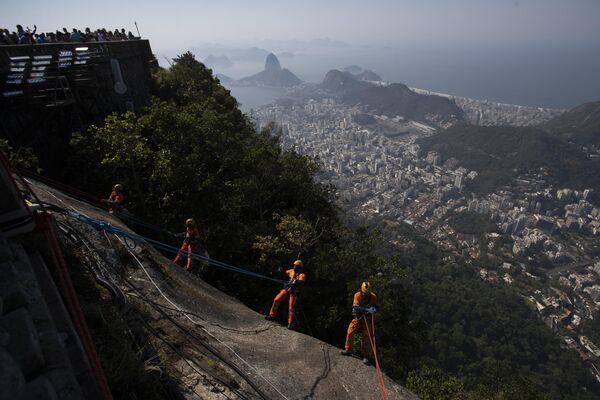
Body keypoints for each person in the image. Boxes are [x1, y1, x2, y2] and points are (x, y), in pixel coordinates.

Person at [341, 281, 379, 365]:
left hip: (367, 319)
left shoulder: (373, 297)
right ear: (362, 291)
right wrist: (366, 310)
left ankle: (365, 355)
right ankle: (348, 350)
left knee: (366, 336)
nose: (366, 295)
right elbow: (356, 307)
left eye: (368, 293)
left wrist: (375, 309)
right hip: (358, 317)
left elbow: (376, 306)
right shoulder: (357, 295)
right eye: (365, 293)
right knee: (350, 332)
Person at [265, 260, 306, 328]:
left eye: (297, 266)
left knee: (291, 307)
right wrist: (279, 270)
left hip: (293, 292)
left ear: (300, 267)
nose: (295, 267)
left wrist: (294, 283)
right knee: (276, 299)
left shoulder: (302, 275)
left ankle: (290, 323)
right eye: (294, 265)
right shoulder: (291, 271)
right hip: (286, 289)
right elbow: (284, 273)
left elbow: (300, 283)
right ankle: (272, 316)